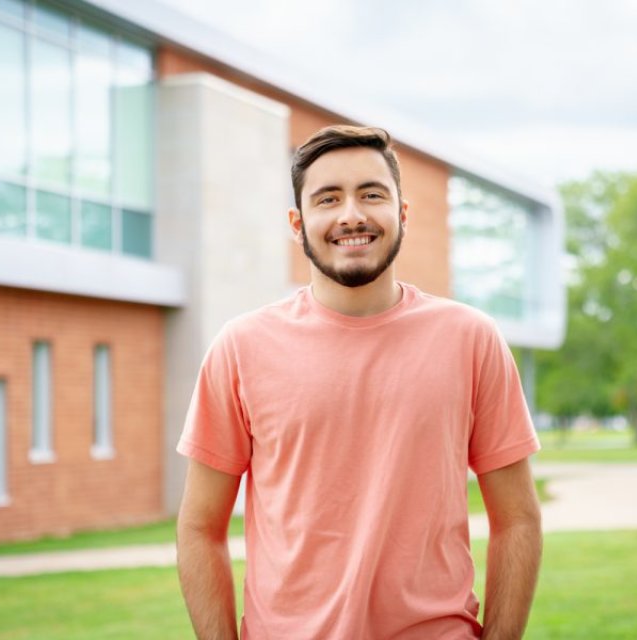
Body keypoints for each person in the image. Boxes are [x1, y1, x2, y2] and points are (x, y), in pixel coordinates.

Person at [176, 125, 542, 639]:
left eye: (372, 194)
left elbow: (518, 520)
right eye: (328, 198)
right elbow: (199, 529)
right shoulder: (240, 348)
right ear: (297, 222)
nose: (352, 214)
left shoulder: (471, 339)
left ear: (403, 214)